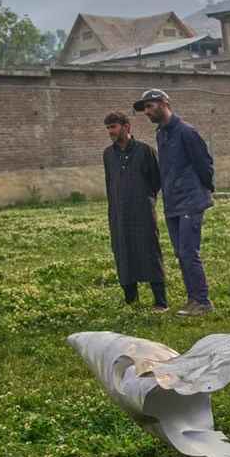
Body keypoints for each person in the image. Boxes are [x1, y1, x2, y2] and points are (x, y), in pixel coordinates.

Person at [134, 89, 215, 317]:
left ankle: (203, 301)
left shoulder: (186, 132)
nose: (147, 112)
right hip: (173, 203)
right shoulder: (161, 134)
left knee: (189, 251)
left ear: (164, 103)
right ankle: (193, 299)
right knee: (181, 252)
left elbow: (204, 163)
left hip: (190, 200)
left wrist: (205, 190)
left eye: (150, 106)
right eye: (145, 109)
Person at [102, 111, 167, 312]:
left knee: (149, 251)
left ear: (127, 127)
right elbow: (109, 183)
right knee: (123, 252)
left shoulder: (145, 151)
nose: (110, 132)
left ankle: (160, 301)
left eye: (114, 127)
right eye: (108, 128)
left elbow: (157, 181)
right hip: (118, 214)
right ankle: (131, 301)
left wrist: (144, 199)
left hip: (143, 212)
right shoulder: (108, 154)